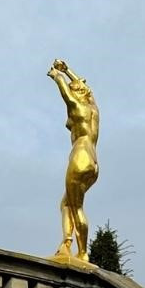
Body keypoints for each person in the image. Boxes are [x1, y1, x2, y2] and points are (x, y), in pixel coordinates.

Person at [47, 59, 100, 262]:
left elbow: (67, 96)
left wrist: (57, 77)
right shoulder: (92, 108)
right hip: (93, 162)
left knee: (75, 206)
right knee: (67, 204)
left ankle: (82, 252)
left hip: (80, 156)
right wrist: (68, 70)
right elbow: (87, 89)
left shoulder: (78, 106)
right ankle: (67, 243)